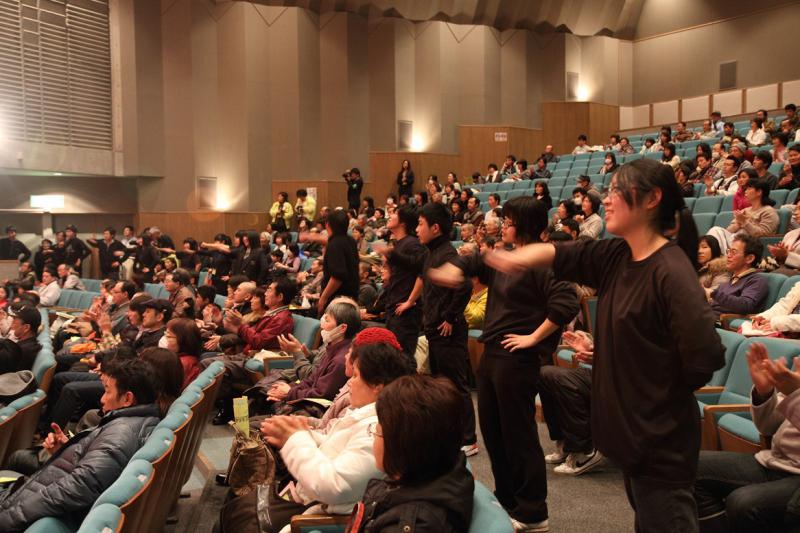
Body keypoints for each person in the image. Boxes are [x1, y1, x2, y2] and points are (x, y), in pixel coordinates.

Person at [483, 158, 725, 532]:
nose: (606, 199)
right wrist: (516, 258)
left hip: (659, 436)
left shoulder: (671, 269)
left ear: (652, 199)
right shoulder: (617, 255)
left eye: (616, 191)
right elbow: (563, 254)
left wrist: (649, 387)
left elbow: (704, 355)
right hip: (632, 433)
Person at [429, 196, 579, 532]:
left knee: (518, 435)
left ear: (524, 225)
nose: (504, 227)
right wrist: (454, 270)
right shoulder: (508, 257)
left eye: (509, 222)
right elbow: (475, 261)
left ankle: (533, 511)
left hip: (517, 359)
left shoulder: (543, 260)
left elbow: (566, 303)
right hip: (493, 354)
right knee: (495, 433)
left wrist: (532, 338)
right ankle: (509, 500)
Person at [246, 330, 412, 533]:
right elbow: (333, 438)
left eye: (356, 375)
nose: (350, 381)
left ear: (378, 384)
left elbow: (334, 486)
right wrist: (298, 432)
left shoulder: (377, 429)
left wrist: (296, 438)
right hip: (311, 496)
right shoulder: (364, 409)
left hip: (321, 513)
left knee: (242, 517)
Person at [0, 358, 160, 531]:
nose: (102, 399)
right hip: (34, 494)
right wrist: (65, 450)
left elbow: (78, 487)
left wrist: (7, 518)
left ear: (127, 399)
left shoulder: (121, 432)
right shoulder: (137, 422)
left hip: (26, 510)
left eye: (107, 391)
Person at [348, 375, 474, 533]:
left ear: (404, 444)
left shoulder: (413, 524)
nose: (373, 437)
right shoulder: (434, 469)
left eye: (378, 431)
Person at [694, 343, 800, 532]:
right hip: (776, 461)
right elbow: (768, 426)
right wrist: (764, 393)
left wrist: (795, 395)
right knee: (690, 467)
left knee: (743, 503)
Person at [417, 203, 477, 456]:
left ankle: (469, 438)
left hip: (448, 332)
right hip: (435, 329)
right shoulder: (432, 252)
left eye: (421, 224)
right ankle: (452, 434)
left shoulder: (447, 254)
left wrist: (450, 317)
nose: (417, 229)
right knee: (443, 385)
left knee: (456, 386)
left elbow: (464, 286)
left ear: (435, 228)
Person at [371, 205, 426, 363]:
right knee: (394, 357)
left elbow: (422, 272)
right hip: (395, 307)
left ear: (403, 222)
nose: (390, 215)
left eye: (394, 213)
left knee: (404, 358)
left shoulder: (413, 244)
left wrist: (410, 301)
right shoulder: (401, 243)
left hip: (405, 311)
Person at [707, 179, 778, 254]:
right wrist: (738, 224)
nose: (745, 191)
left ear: (759, 192)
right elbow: (728, 230)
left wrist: (745, 222)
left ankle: (722, 256)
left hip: (750, 245)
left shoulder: (769, 211)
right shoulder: (745, 210)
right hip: (734, 240)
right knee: (716, 230)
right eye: (746, 189)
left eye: (749, 189)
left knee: (718, 232)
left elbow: (764, 235)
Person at [708, 234, 768, 320]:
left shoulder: (756, 280)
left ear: (749, 258)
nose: (728, 255)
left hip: (722, 323)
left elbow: (745, 306)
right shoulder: (727, 282)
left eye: (733, 252)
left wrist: (712, 293)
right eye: (728, 251)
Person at [319, 210, 359, 314]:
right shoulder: (350, 241)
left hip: (337, 301)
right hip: (350, 298)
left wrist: (323, 298)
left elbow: (337, 276)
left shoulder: (335, 244)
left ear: (327, 225)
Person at [0, 304, 42, 374]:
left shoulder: (21, 350)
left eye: (15, 320)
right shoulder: (29, 344)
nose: (12, 323)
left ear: (26, 328)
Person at [163, 318, 201, 389]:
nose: (164, 339)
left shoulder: (180, 365)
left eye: (168, 336)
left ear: (183, 340)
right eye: (165, 334)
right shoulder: (189, 359)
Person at [768, 203, 800, 276]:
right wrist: (780, 255)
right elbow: (781, 260)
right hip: (784, 270)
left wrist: (787, 255)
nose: (796, 213)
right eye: (796, 209)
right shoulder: (790, 234)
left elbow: (787, 255)